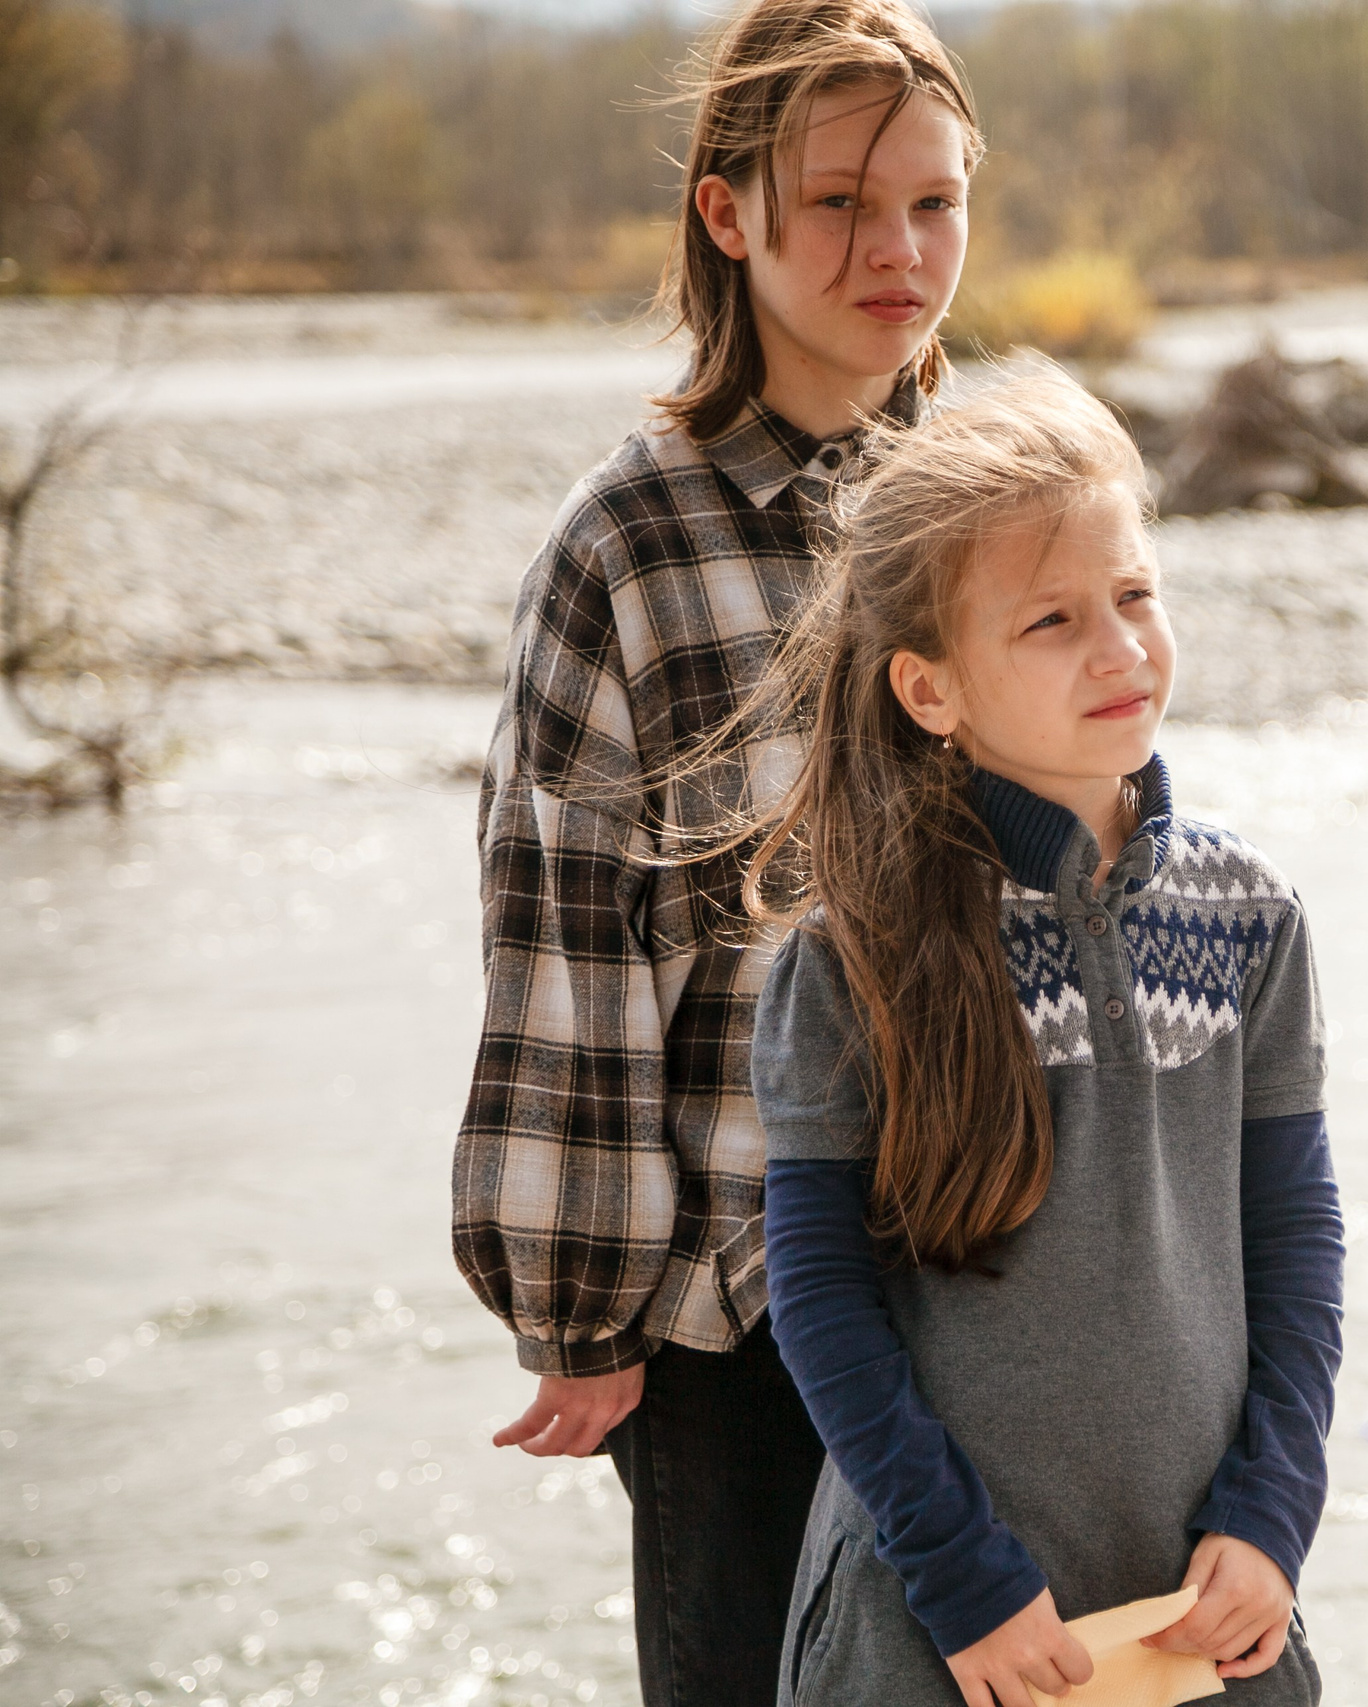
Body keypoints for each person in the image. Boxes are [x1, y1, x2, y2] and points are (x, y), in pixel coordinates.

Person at [449, 5, 981, 1703]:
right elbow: (565, 945)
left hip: (1000, 1282)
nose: (898, 252)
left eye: (935, 202)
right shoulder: (627, 544)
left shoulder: (988, 508)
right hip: (744, 1326)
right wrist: (583, 1307)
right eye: (839, 204)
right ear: (726, 213)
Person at [736, 375, 1342, 1707]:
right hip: (945, 1629)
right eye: (1052, 621)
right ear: (930, 688)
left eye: (1134, 595)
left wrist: (1274, 1514)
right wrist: (964, 1580)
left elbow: (1297, 1243)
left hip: (1204, 1617)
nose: (1119, 649)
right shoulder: (854, 953)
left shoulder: (1252, 916)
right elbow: (819, 1297)